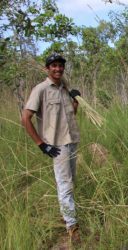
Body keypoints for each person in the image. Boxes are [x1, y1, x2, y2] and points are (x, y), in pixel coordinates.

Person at [21, 53, 81, 242]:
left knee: (70, 183)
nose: (58, 69)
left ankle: (66, 215)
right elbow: (25, 118)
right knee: (65, 184)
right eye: (54, 66)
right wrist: (41, 144)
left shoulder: (65, 88)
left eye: (60, 66)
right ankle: (72, 226)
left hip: (72, 141)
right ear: (47, 68)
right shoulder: (41, 90)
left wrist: (76, 102)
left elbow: (71, 115)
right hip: (57, 146)